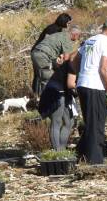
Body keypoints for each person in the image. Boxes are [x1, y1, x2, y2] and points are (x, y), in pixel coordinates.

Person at [71, 21, 107, 166]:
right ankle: (95, 160)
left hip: (83, 84)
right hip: (95, 86)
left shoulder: (91, 40)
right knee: (97, 123)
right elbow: (103, 69)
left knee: (90, 122)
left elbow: (74, 60)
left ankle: (81, 154)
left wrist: (80, 74)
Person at [29, 15, 78, 151]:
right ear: (75, 35)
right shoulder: (66, 37)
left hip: (38, 53)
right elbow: (68, 58)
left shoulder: (56, 31)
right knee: (49, 78)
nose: (76, 40)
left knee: (43, 76)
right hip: (44, 55)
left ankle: (41, 96)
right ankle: (47, 101)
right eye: (77, 37)